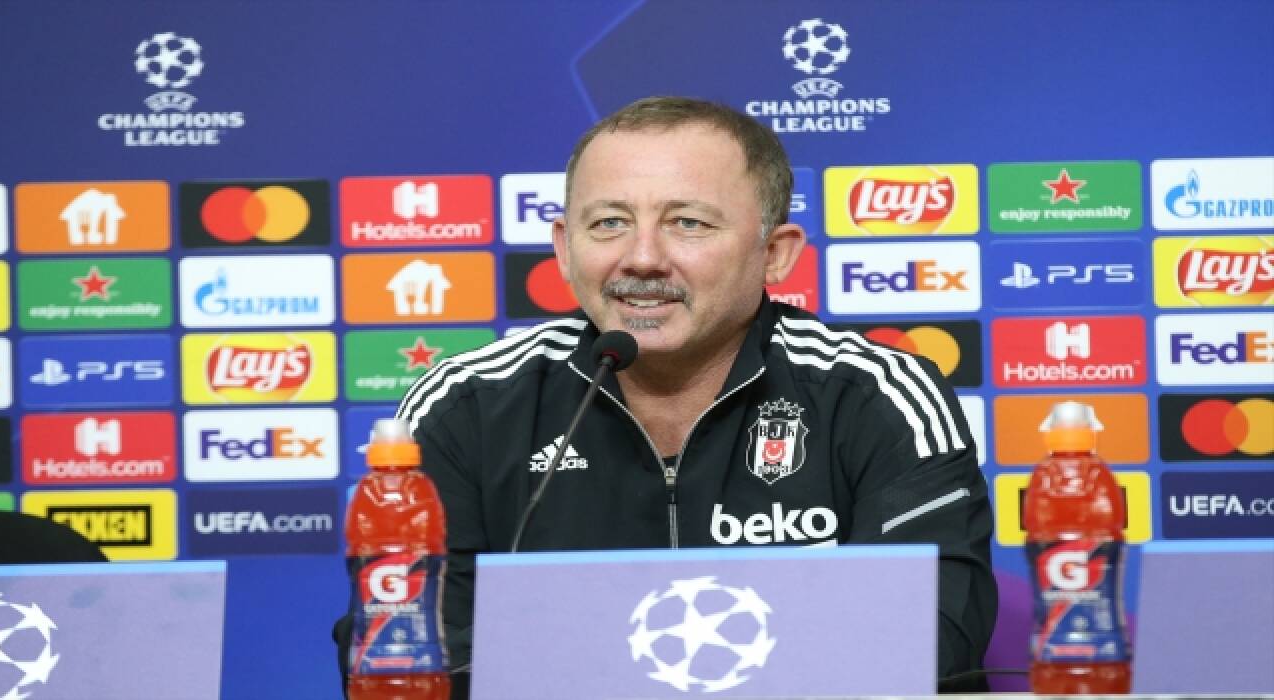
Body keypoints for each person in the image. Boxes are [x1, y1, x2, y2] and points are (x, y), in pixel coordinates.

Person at [336, 96, 996, 692]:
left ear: (775, 254)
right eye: (609, 223)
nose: (643, 257)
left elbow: (930, 640)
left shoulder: (876, 395)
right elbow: (406, 655)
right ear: (564, 249)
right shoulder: (467, 404)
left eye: (688, 223)